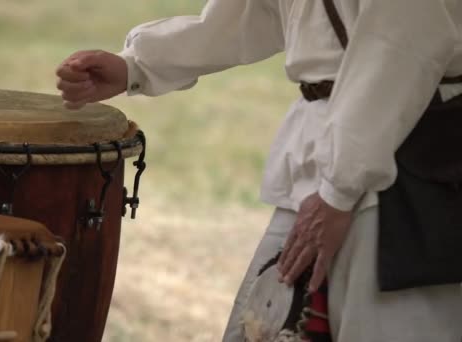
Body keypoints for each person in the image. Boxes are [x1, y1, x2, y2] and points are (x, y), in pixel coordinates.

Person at [56, 0, 462, 341]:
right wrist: (137, 66)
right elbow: (258, 12)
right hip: (325, 158)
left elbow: (403, 43)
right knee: (261, 329)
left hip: (400, 158)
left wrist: (341, 188)